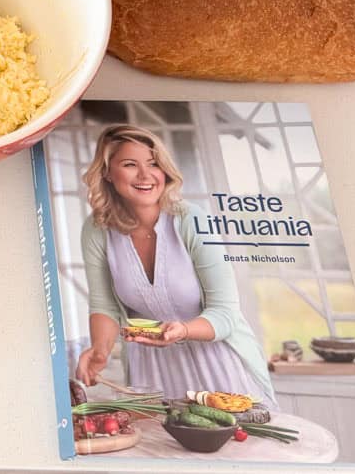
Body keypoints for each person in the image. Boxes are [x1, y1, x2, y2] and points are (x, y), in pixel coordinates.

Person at [74, 124, 276, 406]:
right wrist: (99, 351)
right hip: (152, 374)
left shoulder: (192, 220)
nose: (146, 175)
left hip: (219, 365)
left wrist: (183, 330)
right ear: (107, 172)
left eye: (154, 164)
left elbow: (226, 314)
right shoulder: (96, 230)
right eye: (130, 164)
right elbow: (104, 306)